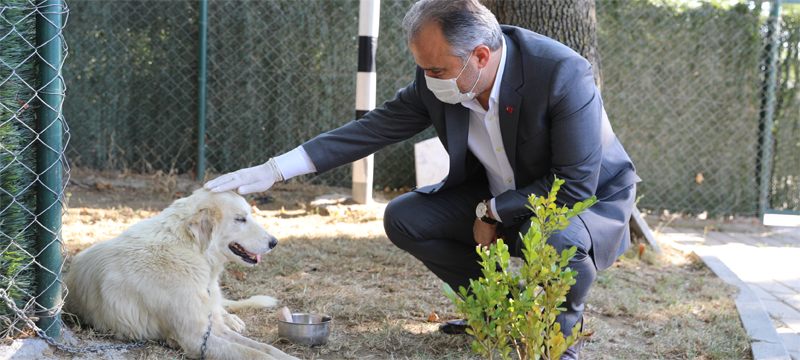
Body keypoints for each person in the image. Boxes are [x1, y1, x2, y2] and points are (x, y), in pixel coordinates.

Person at [205, 0, 639, 358]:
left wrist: (492, 211)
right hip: (495, 193)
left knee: (558, 237)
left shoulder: (562, 73)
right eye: (424, 68)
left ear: (481, 56)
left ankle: (553, 340)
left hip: (581, 203)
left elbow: (573, 185)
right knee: (405, 216)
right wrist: (274, 170)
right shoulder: (439, 77)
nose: (430, 79)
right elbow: (372, 128)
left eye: (437, 70)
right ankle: (494, 313)